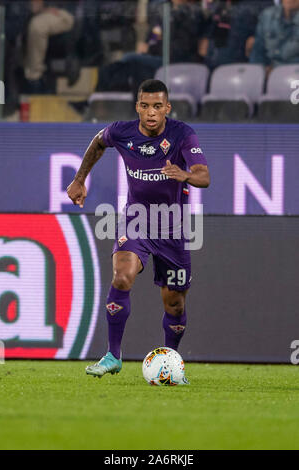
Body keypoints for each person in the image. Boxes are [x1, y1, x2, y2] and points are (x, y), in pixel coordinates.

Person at [67, 79, 210, 382]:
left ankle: (171, 362)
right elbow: (98, 141)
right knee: (122, 275)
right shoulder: (122, 131)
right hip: (137, 220)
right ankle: (112, 355)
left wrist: (184, 174)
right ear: (138, 107)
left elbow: (204, 176)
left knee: (175, 302)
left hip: (173, 228)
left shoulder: (183, 134)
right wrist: (80, 179)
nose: (151, 112)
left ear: (167, 108)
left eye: (158, 106)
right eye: (145, 106)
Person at [24, 0, 75, 92]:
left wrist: (44, 8)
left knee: (37, 26)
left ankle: (35, 76)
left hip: (63, 11)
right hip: (32, 9)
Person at [249, 0, 299, 73]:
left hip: (294, 74)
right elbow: (258, 51)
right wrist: (261, 72)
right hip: (268, 73)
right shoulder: (267, 15)